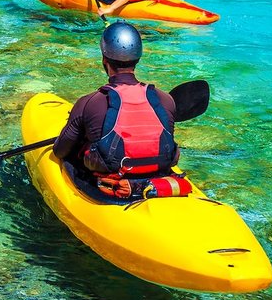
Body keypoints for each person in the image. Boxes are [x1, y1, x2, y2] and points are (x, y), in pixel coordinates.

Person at [52, 21, 184, 199]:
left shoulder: (89, 103)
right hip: (158, 180)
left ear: (104, 60)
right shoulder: (166, 100)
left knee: (76, 156)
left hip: (111, 189)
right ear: (137, 59)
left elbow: (60, 151)